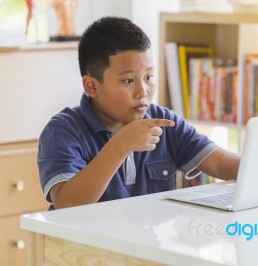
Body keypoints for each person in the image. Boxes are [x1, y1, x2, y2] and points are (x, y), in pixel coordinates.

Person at [38, 16, 240, 210]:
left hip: (144, 244)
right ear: (91, 86)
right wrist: (120, 145)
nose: (143, 92)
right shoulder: (63, 131)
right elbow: (68, 203)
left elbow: (219, 162)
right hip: (80, 245)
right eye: (128, 80)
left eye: (149, 77)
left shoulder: (164, 122)